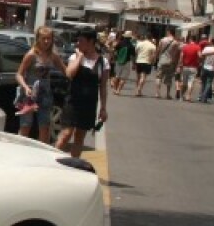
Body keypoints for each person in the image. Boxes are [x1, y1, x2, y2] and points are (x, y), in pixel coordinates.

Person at [56, 27, 108, 158]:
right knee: (66, 134)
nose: (77, 44)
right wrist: (79, 57)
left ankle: (73, 164)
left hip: (89, 104)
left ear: (91, 41)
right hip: (73, 101)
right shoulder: (75, 57)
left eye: (81, 41)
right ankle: (52, 158)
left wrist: (103, 108)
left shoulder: (103, 62)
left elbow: (103, 86)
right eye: (77, 41)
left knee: (79, 137)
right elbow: (69, 74)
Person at [16, 26, 67, 144]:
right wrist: (25, 86)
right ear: (38, 39)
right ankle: (20, 150)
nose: (46, 41)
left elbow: (66, 71)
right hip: (30, 93)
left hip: (45, 93)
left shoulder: (53, 55)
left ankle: (42, 152)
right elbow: (19, 74)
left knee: (45, 125)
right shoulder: (31, 55)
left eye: (49, 38)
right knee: (25, 125)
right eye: (43, 38)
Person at [154, 27, 182, 100]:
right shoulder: (176, 42)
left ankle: (157, 93)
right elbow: (178, 53)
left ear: (168, 32)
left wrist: (155, 58)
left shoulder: (163, 40)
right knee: (169, 78)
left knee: (159, 77)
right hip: (171, 62)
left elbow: (158, 49)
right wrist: (177, 64)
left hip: (162, 60)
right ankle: (168, 94)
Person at [133, 31, 157, 97]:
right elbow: (154, 56)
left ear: (146, 37)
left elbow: (136, 52)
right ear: (151, 38)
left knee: (138, 77)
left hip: (139, 61)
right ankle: (139, 90)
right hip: (147, 62)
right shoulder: (153, 46)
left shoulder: (139, 44)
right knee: (143, 77)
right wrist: (153, 62)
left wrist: (134, 61)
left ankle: (138, 90)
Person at [178, 34, 202, 101]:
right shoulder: (198, 47)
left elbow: (181, 56)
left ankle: (181, 97)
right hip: (193, 67)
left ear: (190, 39)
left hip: (185, 67)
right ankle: (188, 96)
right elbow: (200, 56)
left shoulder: (185, 47)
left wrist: (180, 64)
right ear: (195, 40)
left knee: (184, 82)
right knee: (190, 82)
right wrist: (199, 62)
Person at [111, 30, 135, 95]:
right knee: (123, 78)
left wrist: (113, 58)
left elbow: (114, 50)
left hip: (118, 61)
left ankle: (114, 89)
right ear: (130, 38)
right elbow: (133, 56)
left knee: (117, 76)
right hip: (127, 62)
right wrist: (134, 64)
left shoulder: (120, 43)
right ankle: (118, 90)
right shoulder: (131, 46)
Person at [198, 37, 214, 103]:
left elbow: (202, 56)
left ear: (212, 42)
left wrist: (201, 64)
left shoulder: (206, 48)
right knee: (209, 83)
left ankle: (201, 96)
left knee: (203, 83)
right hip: (213, 68)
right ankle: (204, 98)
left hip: (205, 66)